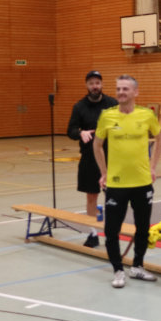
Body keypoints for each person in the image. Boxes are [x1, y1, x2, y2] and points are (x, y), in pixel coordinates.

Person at [93, 75, 161, 289]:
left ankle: (138, 266)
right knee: (111, 231)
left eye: (125, 89)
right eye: (118, 89)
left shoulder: (147, 115)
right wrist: (104, 172)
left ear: (135, 92)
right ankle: (118, 270)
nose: (121, 92)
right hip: (116, 184)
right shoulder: (107, 116)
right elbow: (97, 145)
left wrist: (153, 167)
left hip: (142, 182)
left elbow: (160, 138)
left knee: (142, 228)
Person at [67, 70, 117, 247]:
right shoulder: (79, 107)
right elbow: (70, 130)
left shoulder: (112, 104)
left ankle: (111, 233)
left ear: (101, 84)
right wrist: (81, 133)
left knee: (113, 198)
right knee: (91, 197)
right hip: (89, 158)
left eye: (97, 83)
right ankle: (93, 233)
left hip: (111, 158)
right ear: (86, 85)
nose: (94, 86)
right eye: (91, 83)